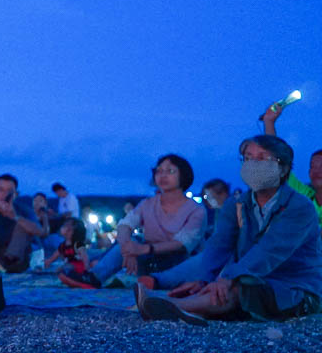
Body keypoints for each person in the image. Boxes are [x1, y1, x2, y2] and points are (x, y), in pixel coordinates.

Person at [136, 135, 322, 324]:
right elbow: (219, 245)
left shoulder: (299, 207)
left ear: (282, 168)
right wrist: (205, 280)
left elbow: (270, 251)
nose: (252, 165)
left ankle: (173, 306)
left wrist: (228, 278)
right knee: (218, 286)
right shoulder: (237, 204)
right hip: (251, 279)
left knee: (238, 288)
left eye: (261, 158)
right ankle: (186, 306)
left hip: (295, 287)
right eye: (248, 158)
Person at [60, 154, 205, 289]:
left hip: (178, 263)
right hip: (150, 261)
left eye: (170, 171)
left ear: (183, 176)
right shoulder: (147, 204)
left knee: (197, 259)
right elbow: (125, 225)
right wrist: (128, 247)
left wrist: (143, 249)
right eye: (159, 171)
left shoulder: (196, 210)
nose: (163, 175)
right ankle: (94, 277)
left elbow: (182, 244)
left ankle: (160, 282)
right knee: (131, 240)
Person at [261, 103, 322, 227]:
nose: (317, 171)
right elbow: (276, 163)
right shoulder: (306, 196)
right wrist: (269, 122)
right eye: (312, 166)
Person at [0, 174, 48, 272]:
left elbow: (41, 232)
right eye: (1, 190)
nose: (5, 194)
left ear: (16, 194)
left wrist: (15, 217)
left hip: (17, 259)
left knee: (24, 224)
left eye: (9, 191)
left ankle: (5, 263)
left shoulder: (24, 210)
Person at [200, 178, 231, 242]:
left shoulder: (235, 213)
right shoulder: (216, 211)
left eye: (208, 196)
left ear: (223, 194)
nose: (205, 200)